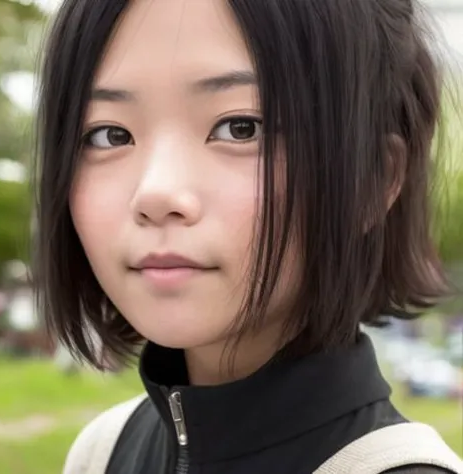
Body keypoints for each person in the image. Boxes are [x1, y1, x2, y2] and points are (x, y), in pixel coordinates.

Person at [33, 0, 463, 473]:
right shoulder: (102, 453)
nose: (155, 192)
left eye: (241, 128)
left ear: (372, 180)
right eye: (109, 135)